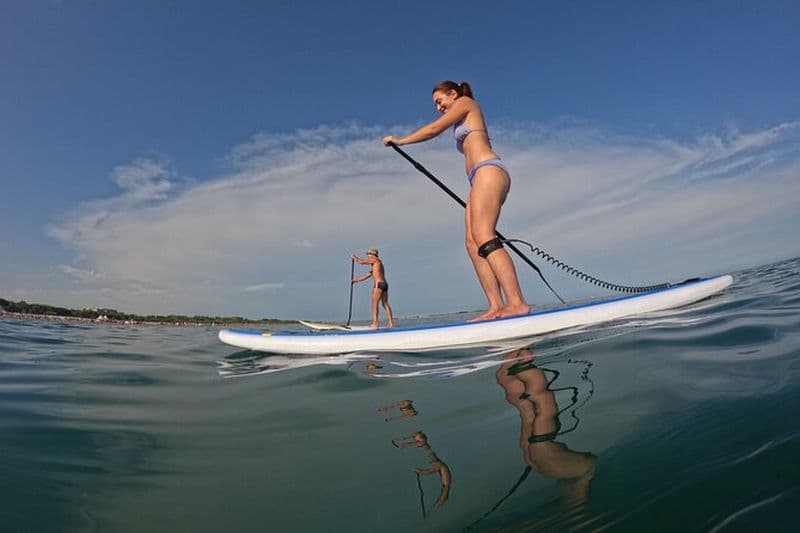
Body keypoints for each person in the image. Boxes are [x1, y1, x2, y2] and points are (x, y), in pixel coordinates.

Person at [382, 80, 530, 320]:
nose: (438, 107)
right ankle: (496, 307)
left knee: (484, 235)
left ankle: (517, 303)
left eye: (439, 101)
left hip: (488, 170)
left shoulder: (465, 102)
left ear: (453, 93)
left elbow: (433, 130)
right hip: (477, 179)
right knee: (472, 243)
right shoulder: (462, 116)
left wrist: (401, 141)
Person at [351, 248, 395, 329]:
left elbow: (361, 262)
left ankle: (375, 324)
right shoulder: (378, 264)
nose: (367, 257)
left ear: (372, 255)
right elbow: (368, 274)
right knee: (385, 304)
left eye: (368, 255)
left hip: (378, 284)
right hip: (384, 284)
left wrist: (355, 258)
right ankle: (391, 323)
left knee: (374, 305)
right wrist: (357, 280)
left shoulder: (374, 260)